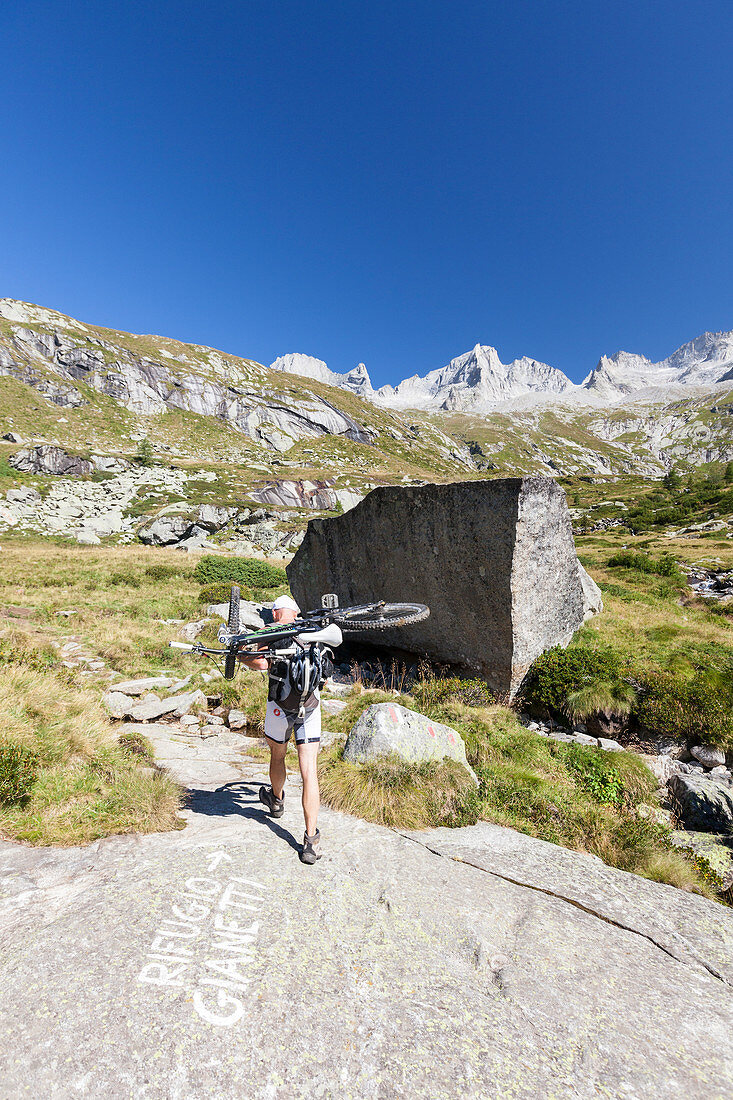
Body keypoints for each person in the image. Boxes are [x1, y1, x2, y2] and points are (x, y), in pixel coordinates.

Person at [239, 594, 323, 865]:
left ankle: (276, 801)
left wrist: (241, 656)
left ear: (276, 613)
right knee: (309, 771)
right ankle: (310, 841)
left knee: (277, 755)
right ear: (296, 612)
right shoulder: (313, 629)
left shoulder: (272, 630)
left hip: (279, 707)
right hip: (310, 706)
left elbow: (260, 662)